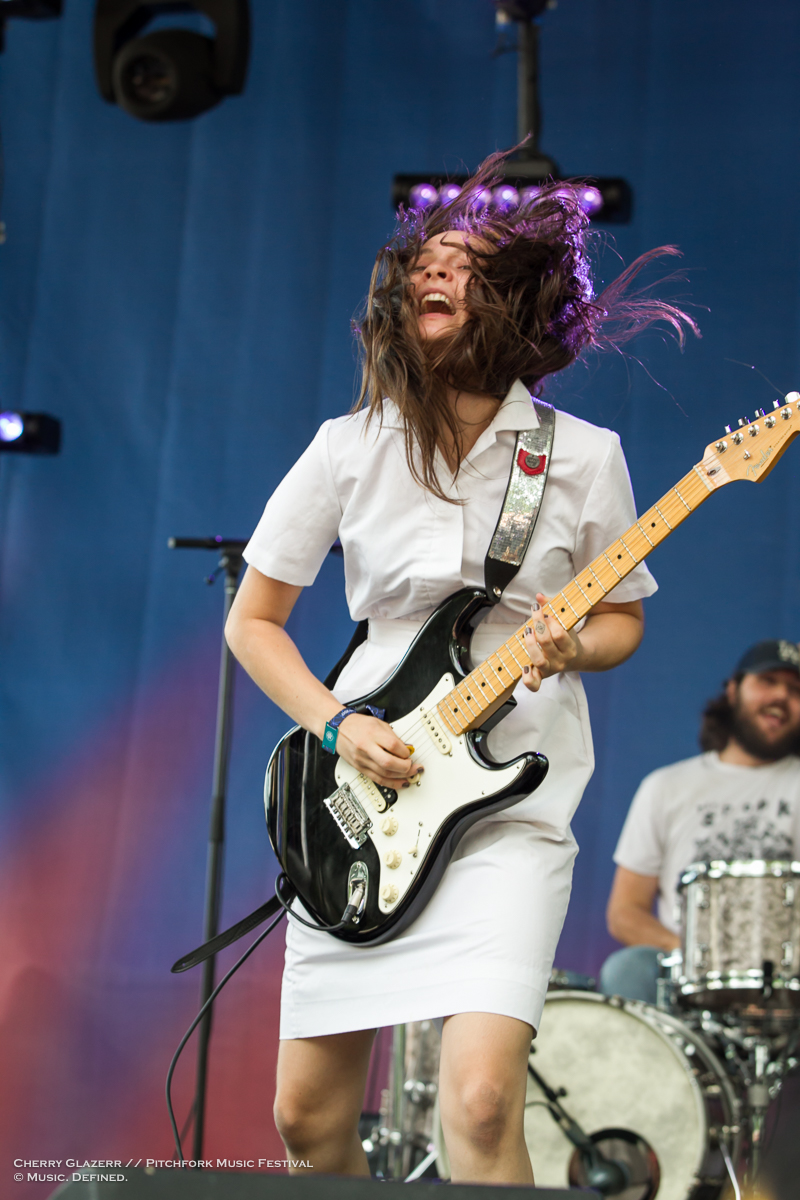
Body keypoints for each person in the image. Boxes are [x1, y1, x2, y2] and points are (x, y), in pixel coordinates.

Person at [225, 151, 693, 1185]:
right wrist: (335, 724)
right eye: (424, 260)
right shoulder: (348, 447)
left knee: (479, 1106)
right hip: (364, 791)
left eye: (466, 262)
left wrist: (575, 643)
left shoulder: (577, 457)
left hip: (504, 815)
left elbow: (622, 621)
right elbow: (253, 622)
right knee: (306, 1121)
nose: (433, 273)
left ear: (519, 302)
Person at [602, 639, 800, 1005]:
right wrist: (695, 954)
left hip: (788, 980)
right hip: (686, 976)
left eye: (795, 689)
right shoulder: (666, 786)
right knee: (628, 969)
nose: (781, 697)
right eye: (768, 681)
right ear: (733, 690)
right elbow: (624, 913)